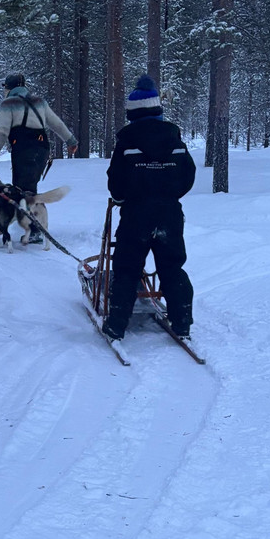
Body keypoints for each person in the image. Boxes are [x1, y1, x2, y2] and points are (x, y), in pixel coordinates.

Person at [102, 75, 196, 341]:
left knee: (127, 268)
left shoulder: (126, 141)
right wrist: (169, 194)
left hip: (136, 214)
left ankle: (116, 324)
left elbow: (115, 182)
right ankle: (182, 322)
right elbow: (188, 175)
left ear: (132, 113)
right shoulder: (174, 139)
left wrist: (123, 197)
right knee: (172, 267)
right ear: (157, 109)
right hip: (169, 214)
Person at [0, 73, 78, 242]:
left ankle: (34, 230)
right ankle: (29, 224)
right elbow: (56, 123)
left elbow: (2, 132)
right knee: (27, 188)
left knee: (23, 191)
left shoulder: (8, 104)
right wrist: (70, 141)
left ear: (8, 88)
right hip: (42, 149)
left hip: (23, 149)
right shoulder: (39, 102)